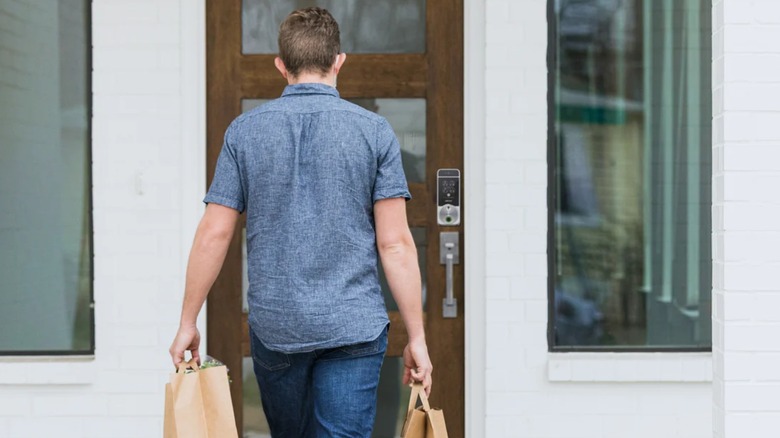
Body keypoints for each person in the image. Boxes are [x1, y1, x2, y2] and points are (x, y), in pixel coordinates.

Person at [169, 7, 432, 437]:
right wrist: (416, 336)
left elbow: (214, 232)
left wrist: (187, 322)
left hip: (278, 327)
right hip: (353, 329)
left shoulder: (244, 132)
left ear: (281, 65)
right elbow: (396, 244)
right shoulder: (375, 132)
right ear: (339, 61)